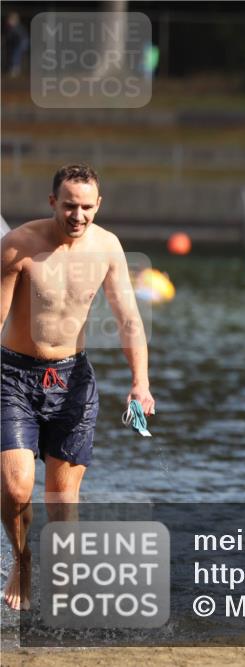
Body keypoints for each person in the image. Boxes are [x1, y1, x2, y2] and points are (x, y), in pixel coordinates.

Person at [1, 164, 156, 610]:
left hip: (72, 379)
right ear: (53, 202)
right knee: (15, 490)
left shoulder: (107, 248)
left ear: (98, 205)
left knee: (62, 503)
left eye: (87, 207)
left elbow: (129, 319)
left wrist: (140, 383)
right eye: (70, 205)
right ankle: (23, 560)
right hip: (13, 377)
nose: (78, 215)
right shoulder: (18, 246)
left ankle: (64, 586)